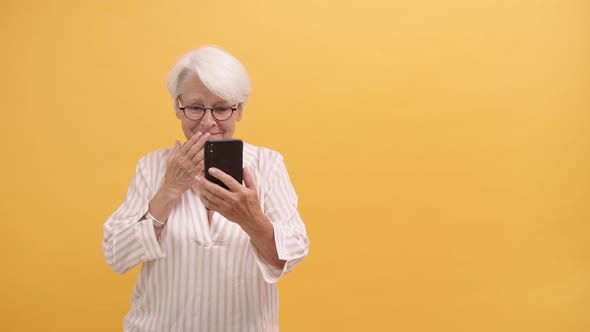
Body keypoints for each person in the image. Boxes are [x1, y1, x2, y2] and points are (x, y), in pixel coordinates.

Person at [102, 46, 310, 331]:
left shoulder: (268, 165)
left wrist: (251, 218)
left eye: (222, 108)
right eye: (196, 107)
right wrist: (168, 190)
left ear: (240, 111)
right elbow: (116, 255)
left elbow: (292, 254)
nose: (208, 121)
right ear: (178, 107)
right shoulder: (152, 167)